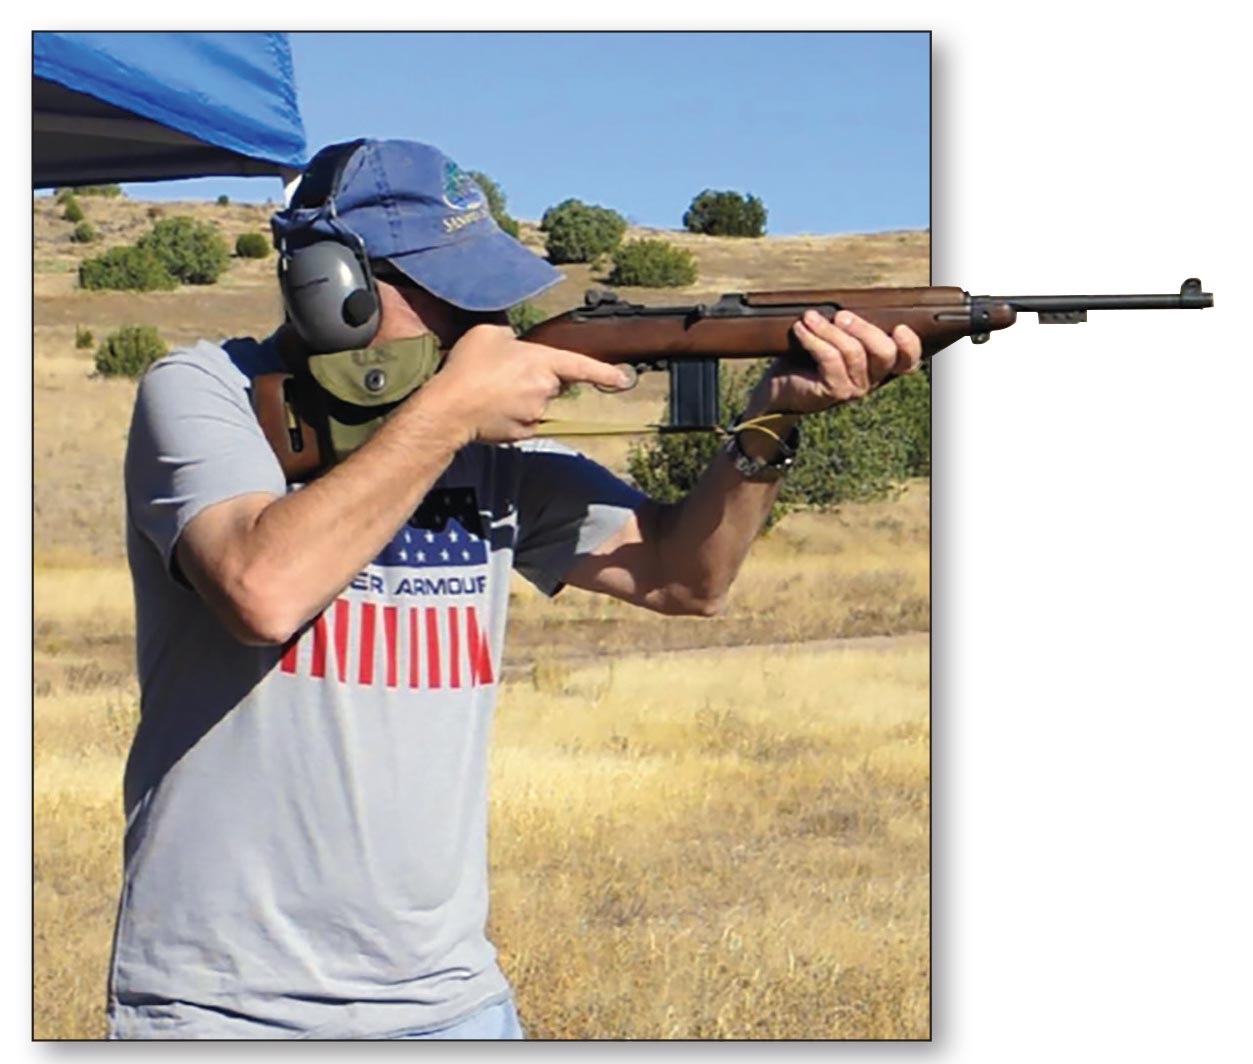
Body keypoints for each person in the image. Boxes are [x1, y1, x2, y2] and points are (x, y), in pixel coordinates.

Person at [107, 138, 922, 1040]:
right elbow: (261, 589)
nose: (483, 323)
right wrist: (451, 411)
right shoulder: (203, 392)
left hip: (450, 999)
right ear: (328, 287)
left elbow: (683, 578)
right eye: (448, 293)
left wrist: (770, 422)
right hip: (228, 1007)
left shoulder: (487, 445)